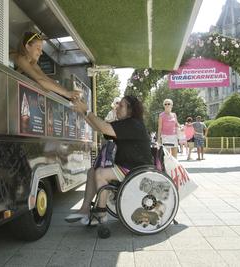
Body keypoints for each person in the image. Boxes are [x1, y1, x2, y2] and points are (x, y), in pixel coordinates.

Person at [65, 95, 153, 225]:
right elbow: (98, 127)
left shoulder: (132, 124)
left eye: (121, 105)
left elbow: (103, 128)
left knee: (100, 173)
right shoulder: (127, 124)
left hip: (135, 169)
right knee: (92, 172)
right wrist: (82, 112)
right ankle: (84, 210)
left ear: (130, 110)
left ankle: (101, 212)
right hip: (129, 166)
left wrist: (86, 111)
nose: (117, 108)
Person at [9, 31, 80, 100]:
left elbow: (47, 79)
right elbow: (40, 79)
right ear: (27, 47)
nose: (41, 52)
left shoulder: (32, 63)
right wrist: (66, 93)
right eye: (38, 48)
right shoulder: (20, 58)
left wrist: (69, 94)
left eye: (41, 49)